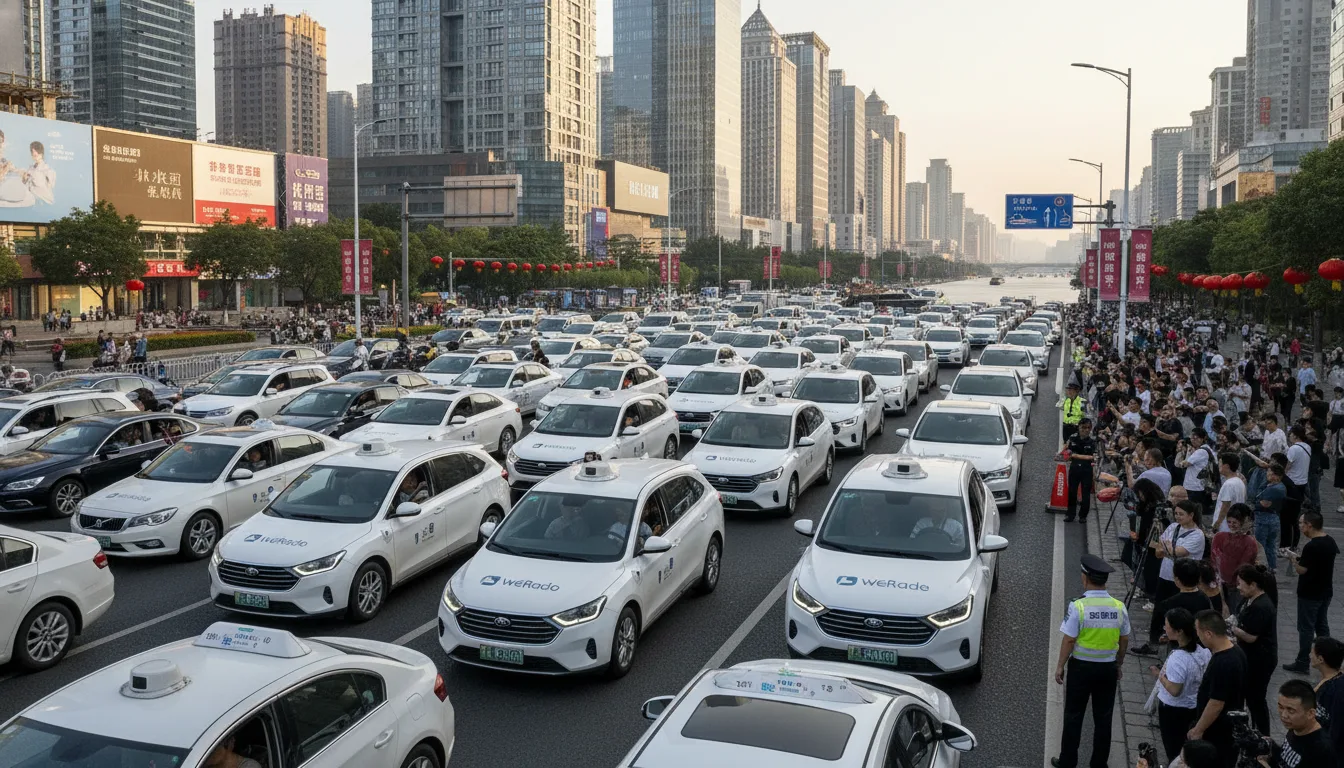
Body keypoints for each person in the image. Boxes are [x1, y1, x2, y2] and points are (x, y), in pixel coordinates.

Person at [1052, 553, 1129, 768]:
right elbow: (1124, 640)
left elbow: (1069, 640)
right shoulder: (1118, 606)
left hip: (1081, 669)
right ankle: (1098, 764)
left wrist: (1060, 666)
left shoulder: (1078, 606)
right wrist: (1119, 664)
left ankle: (1068, 761)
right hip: (1107, 669)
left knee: (1073, 716)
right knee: (1103, 719)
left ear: (1085, 578)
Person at [1150, 607, 1211, 764]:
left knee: (1174, 751)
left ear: (1179, 631)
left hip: (1173, 711)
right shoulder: (1203, 651)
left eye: (1167, 626)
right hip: (1192, 706)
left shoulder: (1178, 658)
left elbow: (1174, 690)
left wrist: (1160, 675)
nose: (1164, 628)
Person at [1189, 610, 1248, 768]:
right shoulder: (1236, 651)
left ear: (1208, 633)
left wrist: (1198, 730)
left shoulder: (1224, 662)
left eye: (1198, 631)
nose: (1197, 636)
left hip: (1218, 731)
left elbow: (1216, 703)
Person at [1286, 510, 1339, 675]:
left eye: (1302, 523)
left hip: (1309, 593)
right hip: (1325, 591)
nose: (1300, 527)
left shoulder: (1312, 546)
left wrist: (1294, 560)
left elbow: (1302, 570)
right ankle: (1330, 657)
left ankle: (1302, 662)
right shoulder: (1330, 541)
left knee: (1306, 628)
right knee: (1322, 626)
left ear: (1310, 525)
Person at [1132, 558, 1211, 657]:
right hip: (1200, 647)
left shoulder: (1168, 604)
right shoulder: (1205, 599)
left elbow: (1159, 629)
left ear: (1177, 580)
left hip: (1176, 649)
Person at [1234, 565, 1279, 734]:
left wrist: (1233, 629)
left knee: (1256, 699)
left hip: (1260, 659)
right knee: (1249, 696)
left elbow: (1251, 637)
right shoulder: (1250, 600)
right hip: (1250, 656)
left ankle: (1262, 734)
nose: (1238, 587)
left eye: (1241, 584)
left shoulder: (1261, 606)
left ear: (1253, 585)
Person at [1273, 679, 1338, 768]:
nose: (1284, 715)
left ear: (1310, 713)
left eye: (1291, 710)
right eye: (1280, 707)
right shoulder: (1296, 726)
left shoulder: (1321, 750)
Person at [1210, 505, 1262, 614]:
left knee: (1236, 614)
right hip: (1220, 584)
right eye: (1229, 522)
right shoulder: (1219, 537)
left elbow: (1244, 565)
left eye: (1235, 522)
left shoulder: (1250, 542)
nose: (1231, 525)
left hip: (1238, 586)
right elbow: (1214, 560)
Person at [1153, 500, 1207, 604]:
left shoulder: (1197, 535)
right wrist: (1167, 549)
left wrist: (1168, 547)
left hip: (1184, 579)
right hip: (1165, 574)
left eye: (1181, 514)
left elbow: (1178, 552)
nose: (1177, 517)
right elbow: (1158, 549)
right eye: (1176, 514)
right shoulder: (1173, 526)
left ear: (1191, 515)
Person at [1310, 636, 1344, 762]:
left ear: (1320, 659)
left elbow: (1335, 728)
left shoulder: (1334, 690)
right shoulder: (1330, 680)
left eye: (1312, 652)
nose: (1309, 655)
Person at [1065, 418, 1098, 523]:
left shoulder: (1093, 440)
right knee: (1072, 492)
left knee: (1085, 494)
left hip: (1086, 470)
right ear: (1079, 427)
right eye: (1083, 427)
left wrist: (1075, 455)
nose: (1086, 430)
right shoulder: (1073, 437)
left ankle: (1083, 516)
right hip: (1074, 468)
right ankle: (1070, 514)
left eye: (1088, 428)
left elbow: (1093, 457)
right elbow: (1067, 450)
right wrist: (1062, 454)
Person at [1211, 453, 1246, 533]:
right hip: (1235, 524)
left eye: (1220, 464)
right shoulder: (1239, 481)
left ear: (1226, 466)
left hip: (1225, 526)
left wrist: (1217, 524)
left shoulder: (1229, 484)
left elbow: (1225, 506)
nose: (1218, 466)